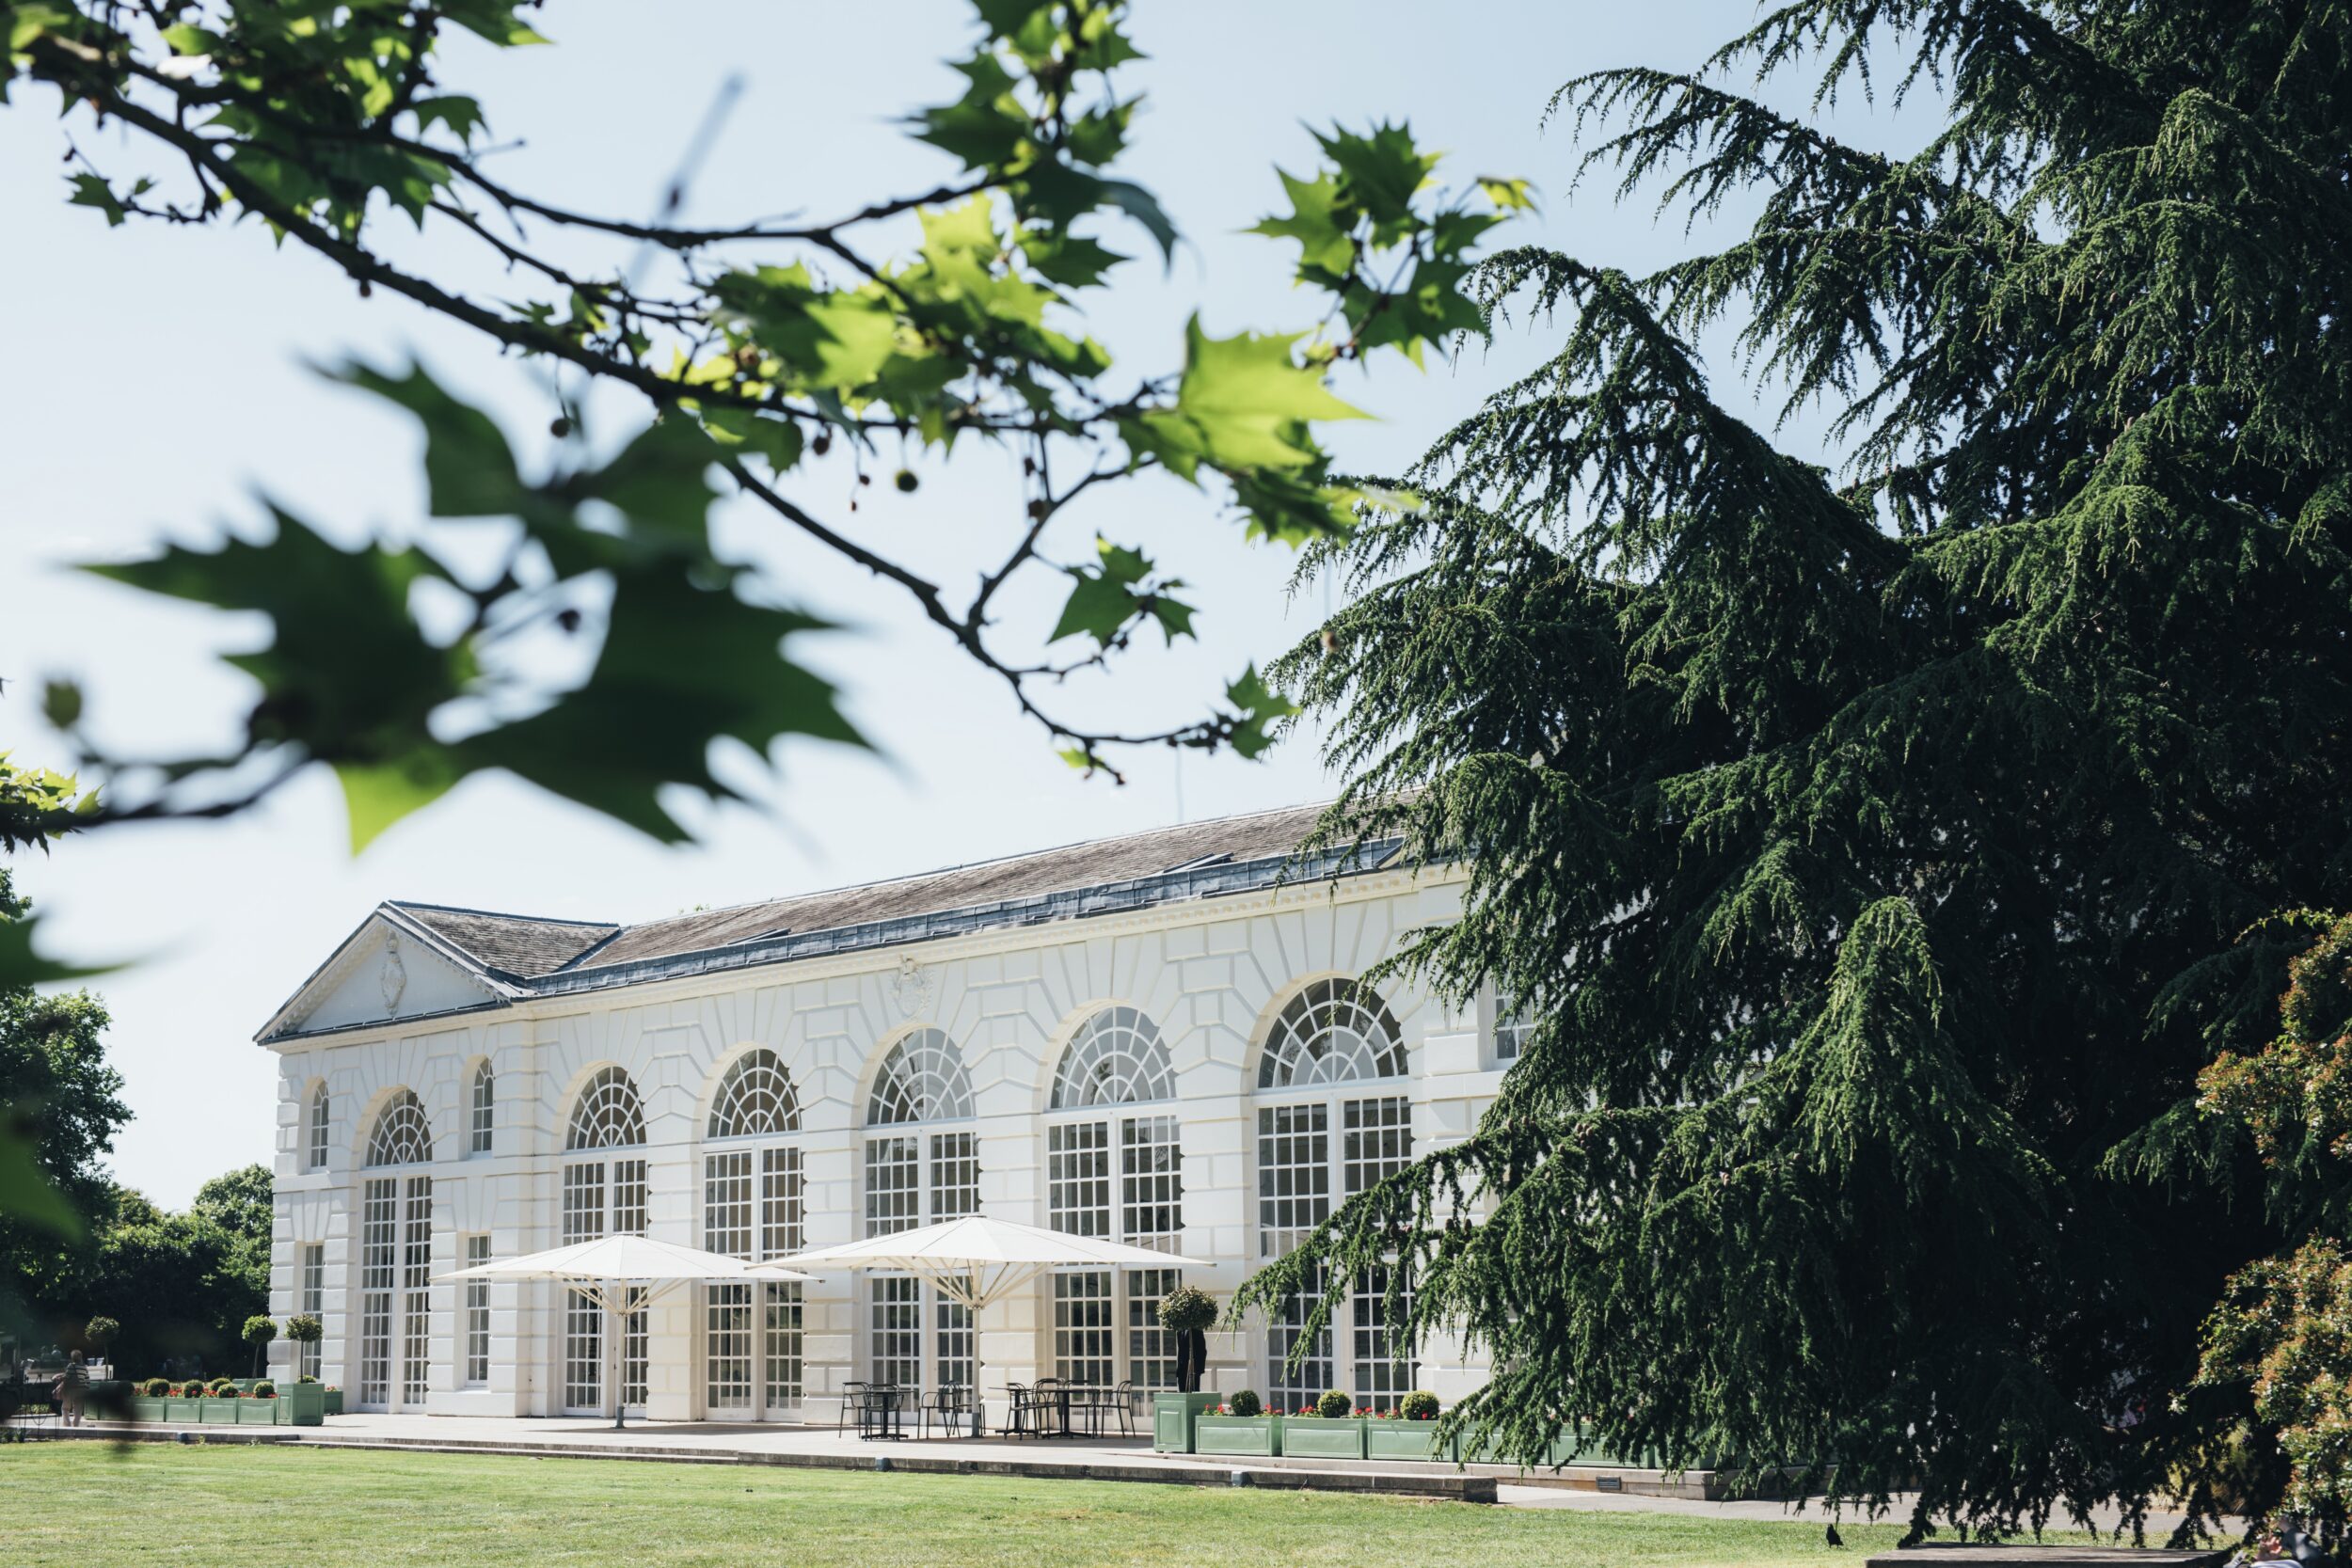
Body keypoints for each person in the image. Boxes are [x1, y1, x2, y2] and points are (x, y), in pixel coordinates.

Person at [58, 1350, 87, 1427]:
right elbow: (87, 1380)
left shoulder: (71, 1366)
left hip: (70, 1390)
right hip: (80, 1390)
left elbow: (67, 1377)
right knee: (78, 1409)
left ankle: (67, 1424)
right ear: (80, 1357)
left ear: (72, 1358)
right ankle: (76, 1425)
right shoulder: (84, 1367)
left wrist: (61, 1377)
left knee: (65, 1408)